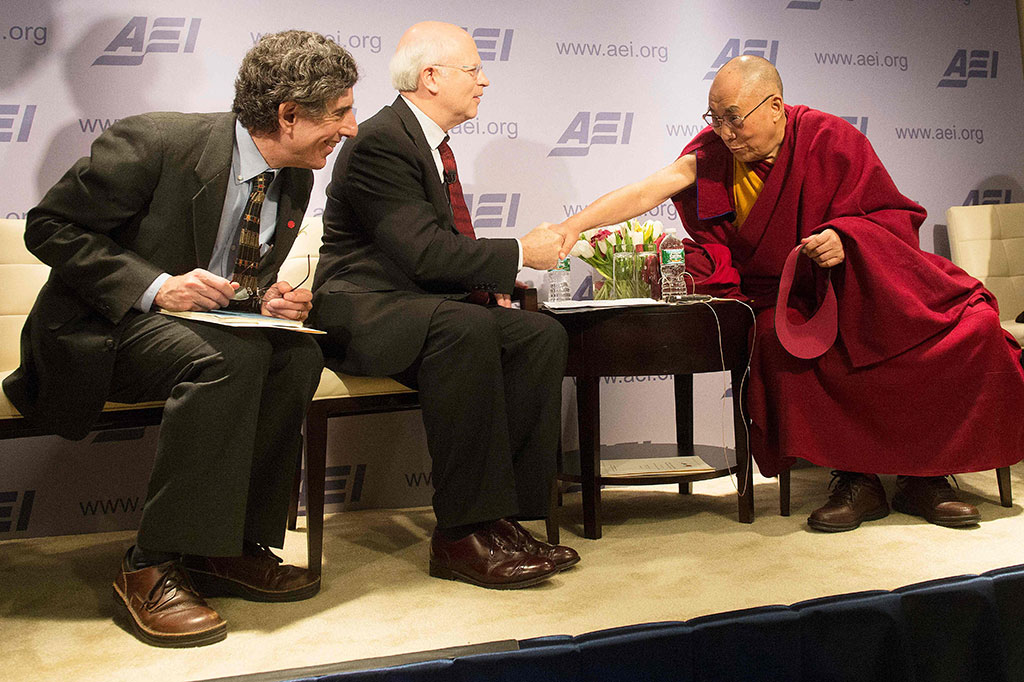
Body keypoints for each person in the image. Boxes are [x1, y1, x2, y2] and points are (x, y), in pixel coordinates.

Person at [554, 55, 1024, 533]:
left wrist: (847, 238)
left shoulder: (829, 138)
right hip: (782, 296)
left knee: (971, 326)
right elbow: (646, 191)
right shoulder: (715, 156)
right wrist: (571, 228)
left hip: (862, 283)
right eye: (714, 119)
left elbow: (891, 216)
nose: (725, 132)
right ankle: (856, 482)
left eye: (734, 118)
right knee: (783, 344)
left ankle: (924, 477)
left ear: (775, 106)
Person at [3, 31, 360, 646]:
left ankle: (225, 549)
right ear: (288, 114)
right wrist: (154, 285)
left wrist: (263, 296)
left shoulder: (297, 173)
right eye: (340, 113)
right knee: (228, 359)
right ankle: (151, 564)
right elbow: (50, 227)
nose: (351, 129)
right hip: (100, 329)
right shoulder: (155, 141)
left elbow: (231, 268)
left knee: (298, 353)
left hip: (193, 332)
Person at [310, 21, 579, 589]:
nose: (485, 81)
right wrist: (519, 252)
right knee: (464, 327)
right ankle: (460, 534)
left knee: (539, 335)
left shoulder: (429, 145)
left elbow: (437, 257)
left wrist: (490, 290)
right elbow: (426, 254)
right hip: (362, 310)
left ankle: (506, 519)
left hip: (420, 309)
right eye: (474, 69)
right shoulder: (382, 141)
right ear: (430, 77)